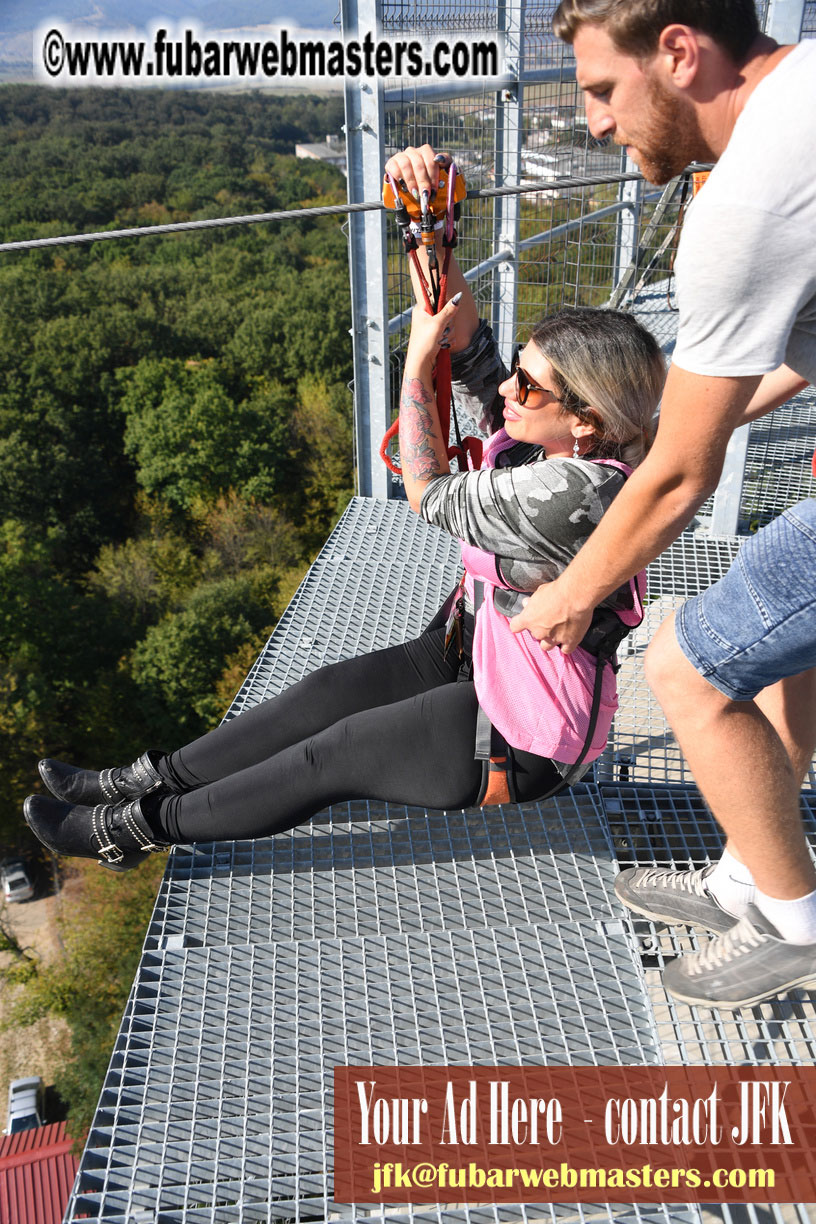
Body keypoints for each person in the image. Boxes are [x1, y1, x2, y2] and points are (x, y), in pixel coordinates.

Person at [23, 146, 665, 872]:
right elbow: (469, 339)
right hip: (473, 657)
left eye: (531, 387)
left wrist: (418, 367)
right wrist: (431, 227)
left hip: (525, 732)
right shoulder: (538, 442)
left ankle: (131, 830)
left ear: (586, 419)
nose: (510, 391)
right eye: (519, 376)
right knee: (322, 694)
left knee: (331, 755)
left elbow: (428, 492)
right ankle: (146, 779)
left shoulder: (581, 494)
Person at [511, 0, 816, 1008]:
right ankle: (746, 873)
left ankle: (799, 919)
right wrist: (702, 418)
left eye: (603, 89)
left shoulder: (741, 208)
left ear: (680, 53)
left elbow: (680, 480)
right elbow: (772, 375)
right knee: (782, 634)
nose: (594, 122)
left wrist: (573, 596)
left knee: (690, 662)